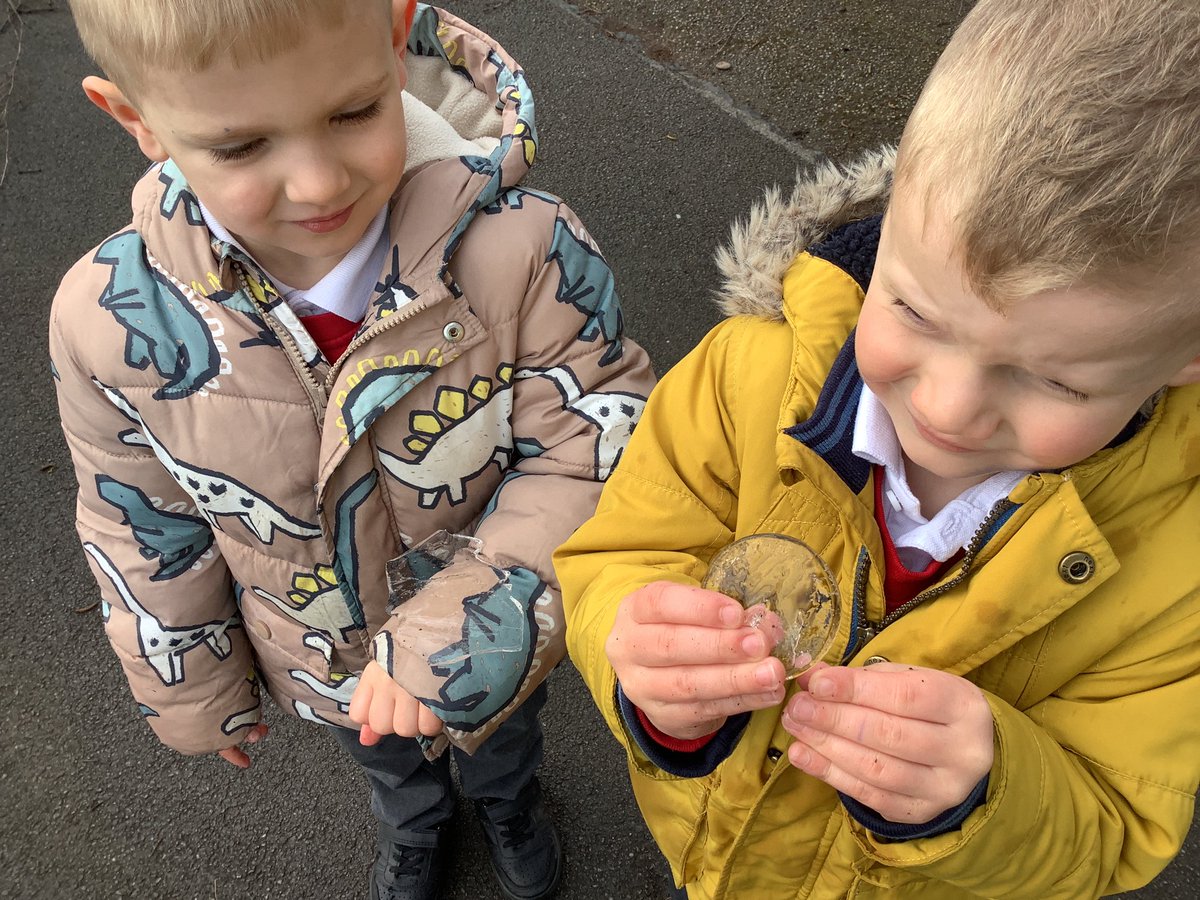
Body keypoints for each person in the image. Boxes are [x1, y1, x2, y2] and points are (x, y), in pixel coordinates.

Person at [554, 0, 1200, 897]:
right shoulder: (746, 376)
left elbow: (1115, 826)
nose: (948, 407)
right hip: (715, 850)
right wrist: (645, 659)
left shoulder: (1181, 563)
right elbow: (617, 552)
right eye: (913, 312)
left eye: (1055, 380)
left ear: (1182, 360)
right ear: (890, 215)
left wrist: (982, 797)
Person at [50, 2, 655, 898]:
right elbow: (137, 524)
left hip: (488, 631)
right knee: (386, 763)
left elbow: (593, 449)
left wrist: (452, 647)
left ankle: (507, 802)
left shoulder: (525, 247)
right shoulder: (108, 324)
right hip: (315, 648)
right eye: (242, 146)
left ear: (395, 37)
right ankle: (416, 824)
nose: (316, 183)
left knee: (504, 737)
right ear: (137, 120)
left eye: (352, 112)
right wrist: (196, 685)